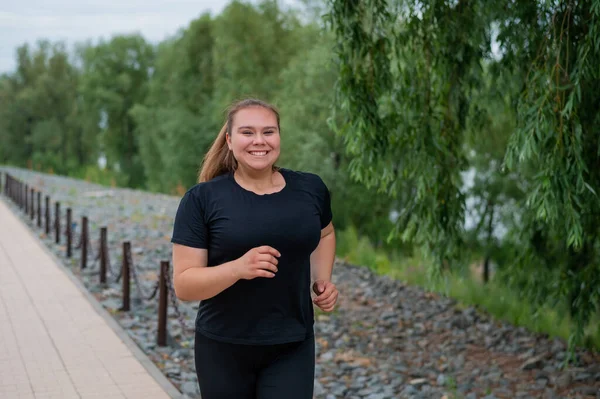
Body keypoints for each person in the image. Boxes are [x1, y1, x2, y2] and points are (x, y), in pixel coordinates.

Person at [170, 98, 338, 399]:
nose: (259, 141)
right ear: (230, 141)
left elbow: (325, 234)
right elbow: (184, 285)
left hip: (292, 343)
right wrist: (238, 268)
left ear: (279, 137)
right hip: (223, 348)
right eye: (247, 132)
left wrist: (321, 280)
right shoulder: (201, 199)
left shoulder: (310, 189)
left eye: (268, 132)